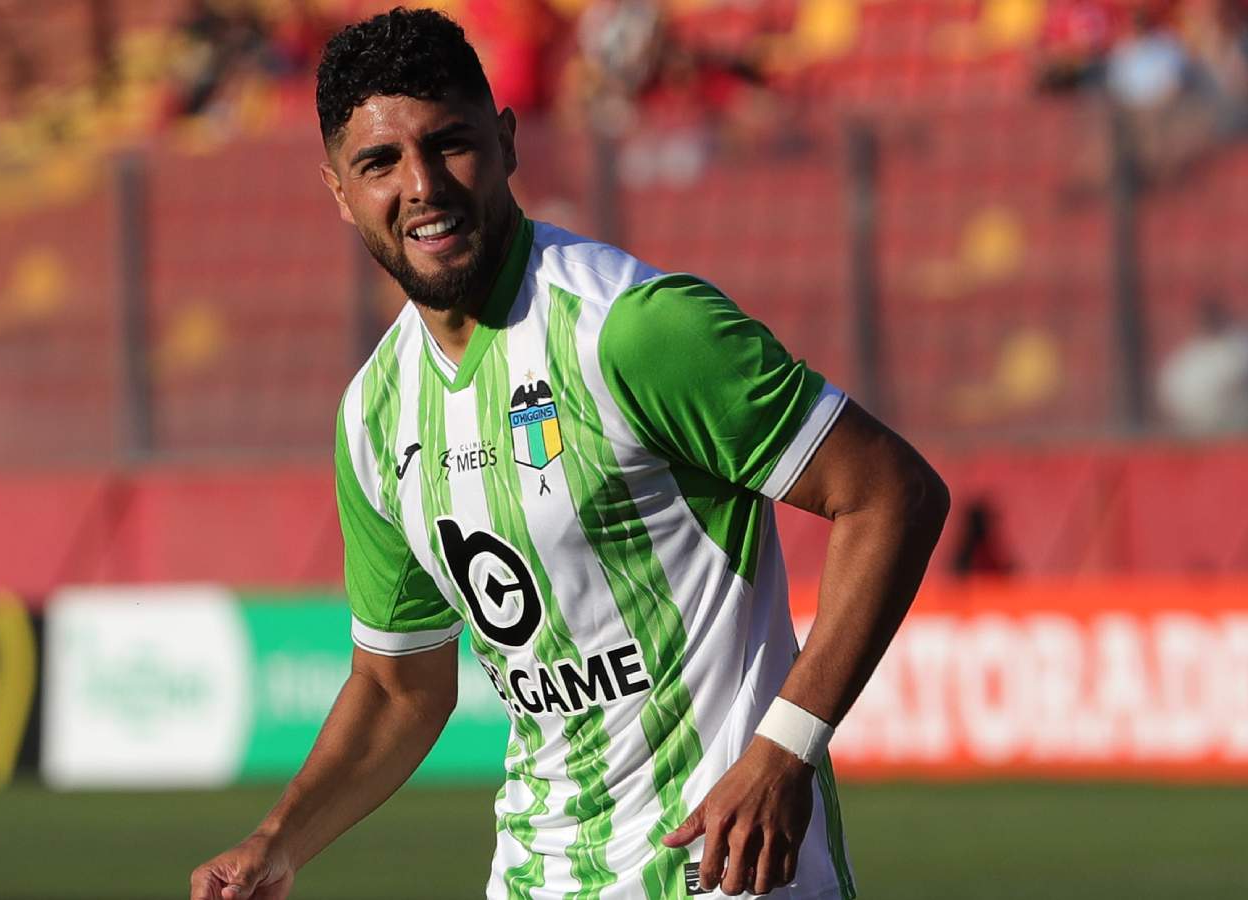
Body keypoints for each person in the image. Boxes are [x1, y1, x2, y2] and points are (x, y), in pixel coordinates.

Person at [190, 8, 949, 900]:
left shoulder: (635, 330)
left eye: (450, 144)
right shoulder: (373, 416)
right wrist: (277, 843)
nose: (423, 185)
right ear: (338, 189)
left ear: (507, 143)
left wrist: (784, 746)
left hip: (725, 878)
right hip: (538, 876)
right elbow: (399, 689)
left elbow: (891, 494)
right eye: (380, 163)